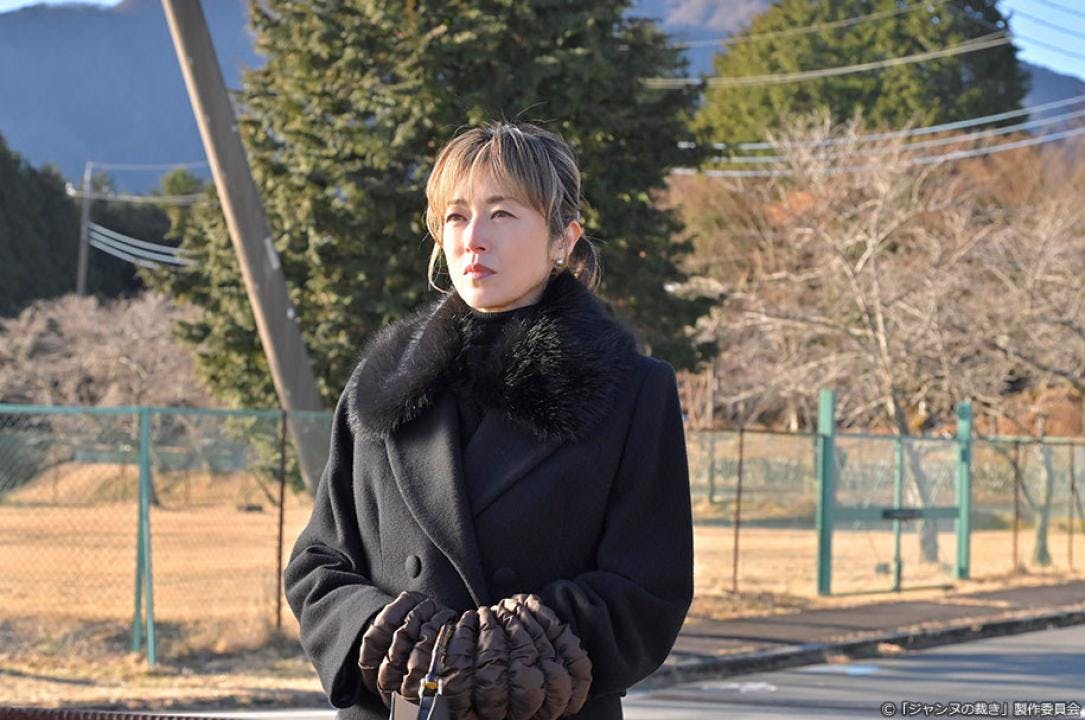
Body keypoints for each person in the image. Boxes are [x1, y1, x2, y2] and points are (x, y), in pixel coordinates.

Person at [284, 122, 694, 720]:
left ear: (563, 239)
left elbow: (649, 587)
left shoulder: (634, 390)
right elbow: (318, 565)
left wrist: (520, 648)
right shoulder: (382, 383)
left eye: (502, 214)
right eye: (456, 216)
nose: (474, 239)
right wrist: (386, 634)